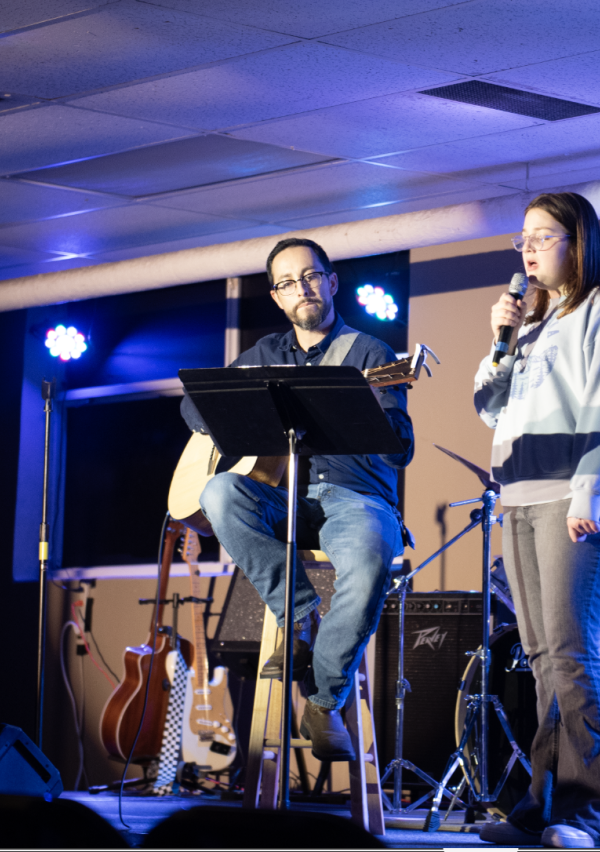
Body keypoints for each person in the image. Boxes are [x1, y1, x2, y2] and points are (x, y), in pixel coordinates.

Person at [180, 237, 414, 761]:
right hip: (283, 498)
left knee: (373, 560)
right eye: (288, 282)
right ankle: (300, 614)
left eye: (310, 276)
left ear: (331, 283)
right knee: (218, 491)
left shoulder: (371, 354)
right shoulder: (264, 354)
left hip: (355, 497)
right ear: (277, 297)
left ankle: (324, 699)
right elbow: (197, 409)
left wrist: (373, 410)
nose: (302, 288)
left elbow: (402, 451)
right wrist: (227, 420)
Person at [473, 192, 600, 848]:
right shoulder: (533, 321)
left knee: (572, 652)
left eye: (543, 236)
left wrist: (589, 493)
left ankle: (586, 811)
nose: (527, 248)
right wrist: (502, 338)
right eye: (522, 237)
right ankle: (539, 805)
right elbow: (489, 407)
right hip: (521, 497)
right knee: (541, 654)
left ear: (577, 243)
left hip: (583, 495)